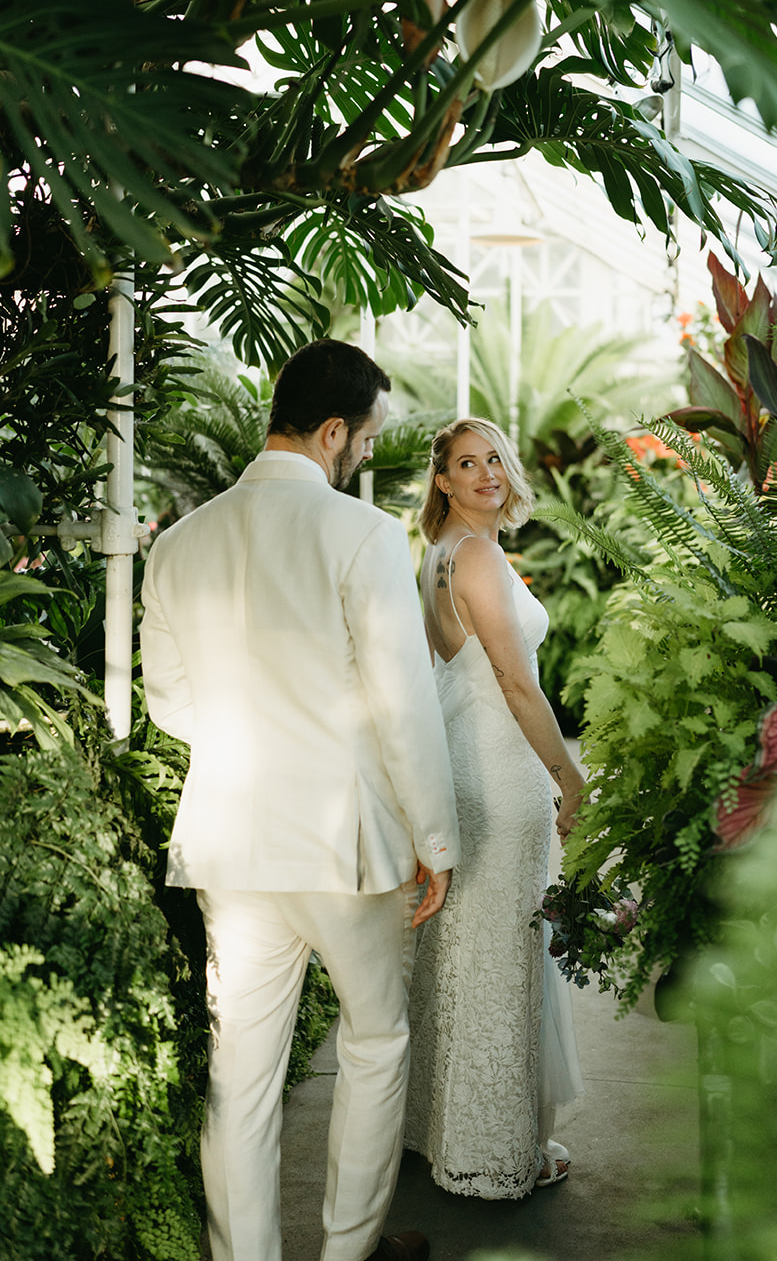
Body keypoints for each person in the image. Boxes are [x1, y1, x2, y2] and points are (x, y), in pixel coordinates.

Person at [140, 340, 460, 1261]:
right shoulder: (358, 535)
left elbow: (171, 704)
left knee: (240, 1076)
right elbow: (403, 707)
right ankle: (344, 1251)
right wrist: (435, 839)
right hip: (342, 845)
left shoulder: (182, 540)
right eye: (363, 439)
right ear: (332, 431)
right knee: (373, 1040)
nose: (363, 455)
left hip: (230, 842)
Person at [404, 417, 585, 1200]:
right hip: (503, 775)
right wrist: (566, 776)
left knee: (459, 959)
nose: (487, 474)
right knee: (503, 963)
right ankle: (494, 1152)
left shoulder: (437, 556)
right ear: (441, 480)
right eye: (467, 464)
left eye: (494, 460)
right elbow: (516, 684)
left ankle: (438, 1131)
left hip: (460, 769)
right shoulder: (474, 556)